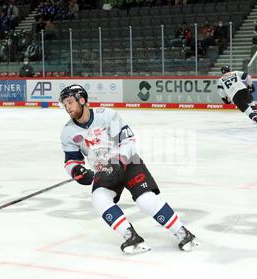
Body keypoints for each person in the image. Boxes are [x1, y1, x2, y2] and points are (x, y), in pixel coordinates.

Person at [59, 84, 200, 254]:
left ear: (82, 100)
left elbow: (128, 140)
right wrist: (78, 172)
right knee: (98, 198)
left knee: (145, 200)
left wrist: (117, 160)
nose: (67, 107)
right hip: (104, 170)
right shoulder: (68, 132)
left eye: (70, 102)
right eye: (64, 104)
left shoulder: (107, 115)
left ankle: (183, 233)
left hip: (128, 162)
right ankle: (131, 237)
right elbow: (71, 161)